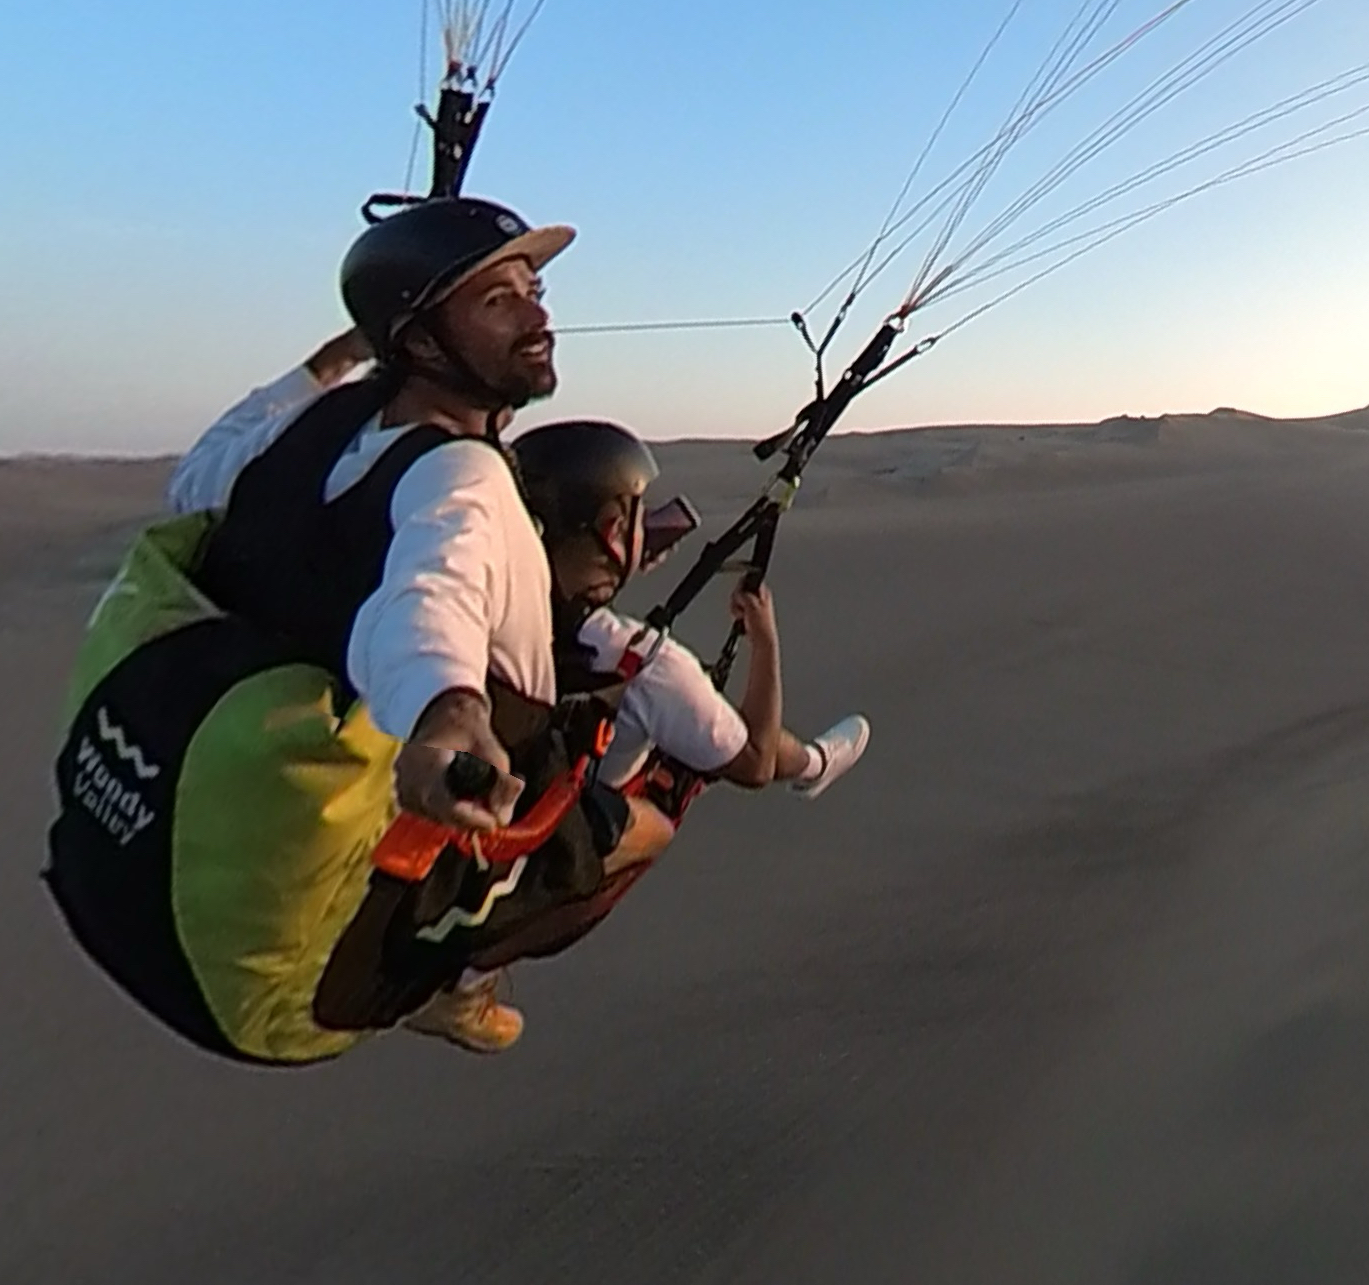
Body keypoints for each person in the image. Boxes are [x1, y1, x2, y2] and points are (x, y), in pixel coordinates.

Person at [166, 196, 621, 1053]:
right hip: (424, 801)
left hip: (285, 750)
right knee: (636, 834)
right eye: (499, 300)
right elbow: (430, 596)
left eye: (533, 287)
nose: (539, 312)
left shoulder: (312, 426)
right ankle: (456, 985)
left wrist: (343, 353)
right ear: (420, 343)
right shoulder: (464, 480)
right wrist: (449, 712)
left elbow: (196, 480)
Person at [509, 419, 873, 829]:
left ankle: (812, 763)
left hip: (510, 788)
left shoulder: (485, 610)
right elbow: (756, 763)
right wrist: (765, 642)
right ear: (612, 533)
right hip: (571, 825)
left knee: (689, 705)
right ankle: (814, 765)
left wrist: (616, 564)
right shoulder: (651, 665)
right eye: (637, 513)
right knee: (713, 721)